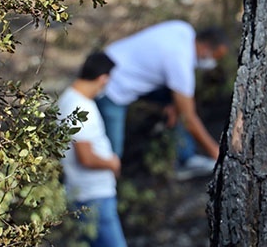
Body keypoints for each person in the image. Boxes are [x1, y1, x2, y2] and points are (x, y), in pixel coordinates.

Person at [96, 20, 229, 180]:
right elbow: (189, 119)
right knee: (111, 154)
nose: (213, 63)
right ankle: (101, 191)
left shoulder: (183, 29)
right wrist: (216, 153)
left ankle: (185, 157)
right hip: (111, 86)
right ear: (206, 48)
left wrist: (172, 104)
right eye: (215, 57)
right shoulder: (180, 61)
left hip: (112, 61)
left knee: (180, 104)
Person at [58, 52, 127, 247]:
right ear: (103, 78)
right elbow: (86, 157)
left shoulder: (67, 98)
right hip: (94, 196)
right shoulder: (80, 107)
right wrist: (112, 162)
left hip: (83, 194)